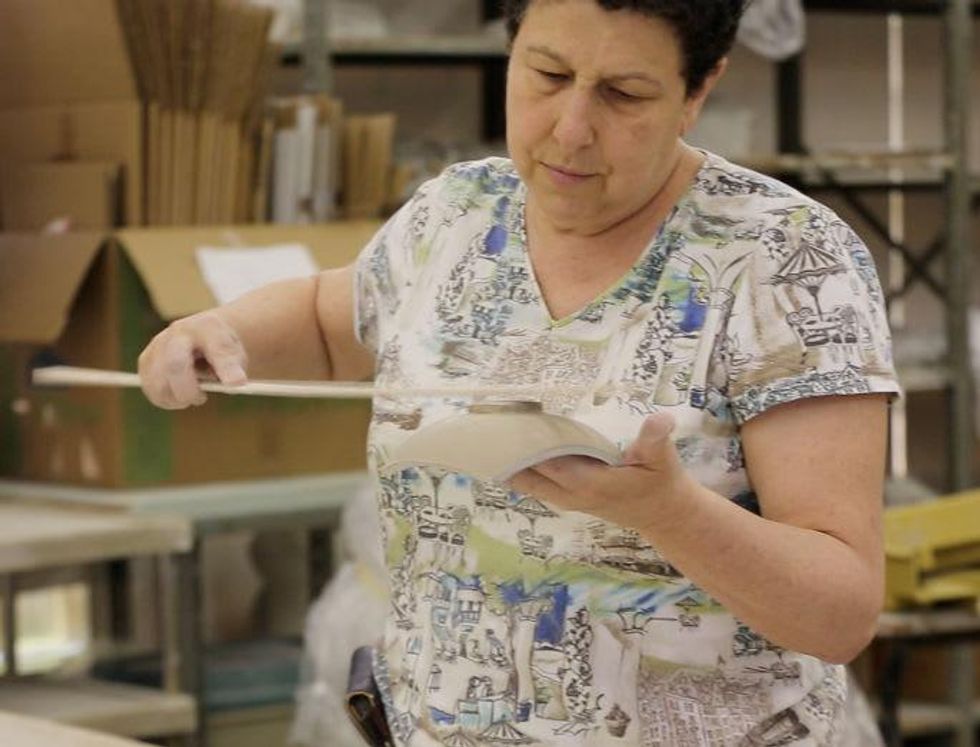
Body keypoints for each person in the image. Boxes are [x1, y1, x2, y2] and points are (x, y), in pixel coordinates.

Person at [138, 0, 900, 743]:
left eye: (623, 94)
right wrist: (218, 330)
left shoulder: (785, 262)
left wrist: (670, 512)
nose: (570, 130)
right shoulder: (458, 214)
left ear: (697, 91)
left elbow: (838, 613)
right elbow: (321, 317)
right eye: (546, 74)